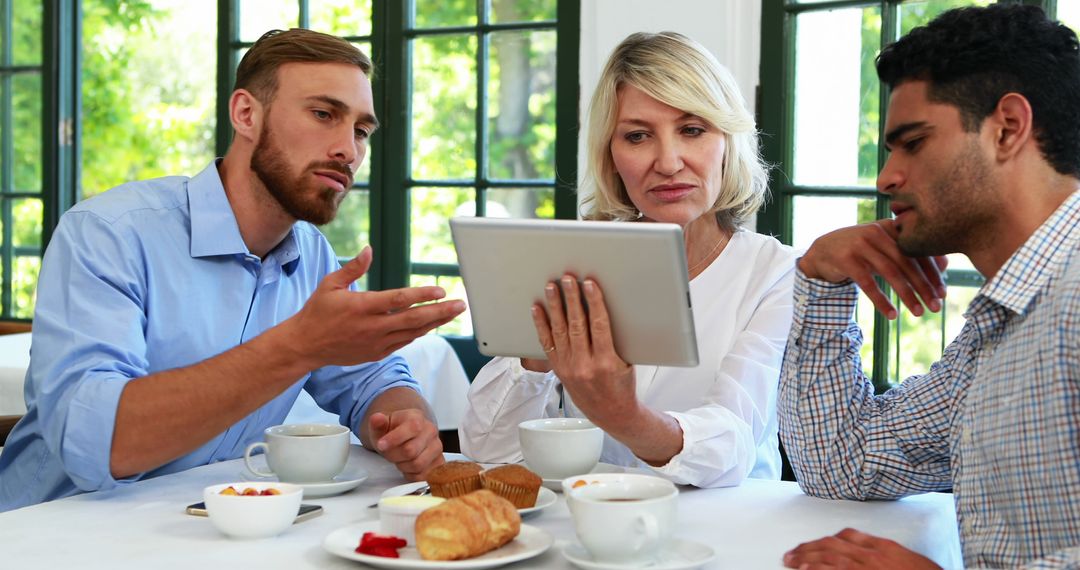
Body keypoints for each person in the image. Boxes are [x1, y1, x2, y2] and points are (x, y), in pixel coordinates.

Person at [0, 28, 466, 512]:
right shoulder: (107, 233)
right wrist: (298, 345)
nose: (349, 150)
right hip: (54, 537)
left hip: (215, 529)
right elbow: (98, 442)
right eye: (324, 114)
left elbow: (372, 380)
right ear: (246, 114)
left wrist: (405, 421)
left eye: (361, 131)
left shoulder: (313, 256)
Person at [778, 5, 1080, 569]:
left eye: (912, 143)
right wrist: (821, 279)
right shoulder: (1002, 326)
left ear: (1008, 128)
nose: (886, 176)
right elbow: (842, 463)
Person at [459, 32, 798, 488]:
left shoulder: (777, 274)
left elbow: (734, 446)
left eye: (692, 130)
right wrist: (536, 349)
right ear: (611, 156)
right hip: (592, 525)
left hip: (727, 532)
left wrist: (623, 416)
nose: (669, 161)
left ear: (727, 141)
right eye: (638, 136)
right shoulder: (572, 263)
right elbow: (487, 449)